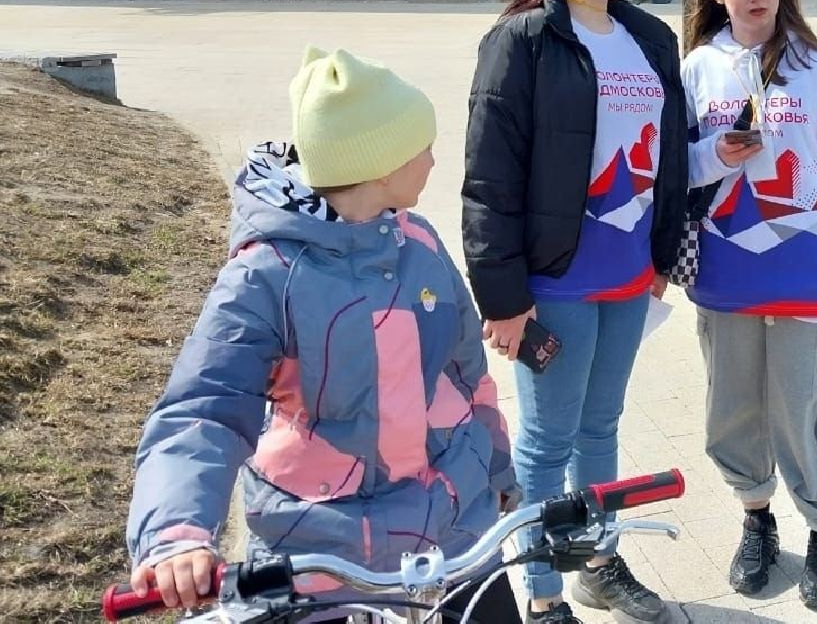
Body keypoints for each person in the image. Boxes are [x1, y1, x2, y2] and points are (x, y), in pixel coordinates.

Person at [125, 47, 521, 622]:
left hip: (452, 530)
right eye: (423, 147)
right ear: (382, 163)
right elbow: (203, 409)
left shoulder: (421, 244)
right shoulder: (266, 276)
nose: (435, 161)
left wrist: (498, 471)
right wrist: (178, 533)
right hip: (319, 553)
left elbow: (467, 378)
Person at [462, 0, 687, 624]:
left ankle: (597, 559)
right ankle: (543, 591)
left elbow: (671, 157)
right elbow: (489, 175)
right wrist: (502, 299)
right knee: (547, 436)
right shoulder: (522, 40)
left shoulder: (651, 38)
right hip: (552, 282)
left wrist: (663, 257)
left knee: (603, 424)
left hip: (627, 280)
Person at [679, 0, 817, 612]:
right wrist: (717, 157)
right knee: (733, 410)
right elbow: (682, 171)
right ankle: (756, 517)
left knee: (803, 408)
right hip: (726, 267)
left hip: (808, 268)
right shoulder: (697, 68)